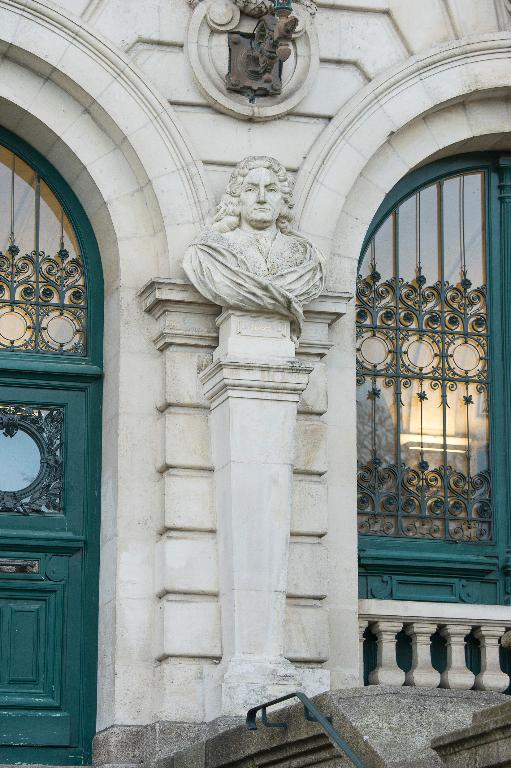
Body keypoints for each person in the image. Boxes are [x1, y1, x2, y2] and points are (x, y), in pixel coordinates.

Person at [183, 155, 324, 340]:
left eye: (271, 190)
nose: (262, 198)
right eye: (250, 189)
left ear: (283, 200)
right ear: (236, 198)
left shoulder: (307, 257)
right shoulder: (209, 251)